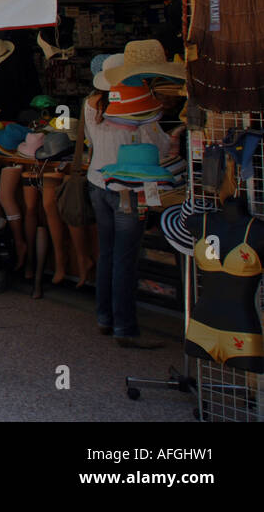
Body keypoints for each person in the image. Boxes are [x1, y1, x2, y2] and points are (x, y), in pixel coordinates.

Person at [83, 75, 182, 348]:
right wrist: (173, 138)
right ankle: (124, 328)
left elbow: (91, 140)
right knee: (125, 259)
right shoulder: (138, 106)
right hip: (128, 189)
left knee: (107, 253)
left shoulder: (91, 105)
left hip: (98, 182)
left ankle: (104, 318)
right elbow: (159, 147)